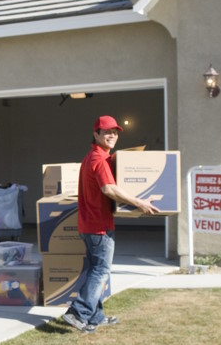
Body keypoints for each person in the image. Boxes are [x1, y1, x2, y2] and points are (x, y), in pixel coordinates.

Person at [61, 115, 158, 333]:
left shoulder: (92, 157)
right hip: (99, 226)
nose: (112, 135)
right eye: (106, 132)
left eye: (115, 132)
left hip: (89, 225)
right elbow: (109, 189)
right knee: (100, 271)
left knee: (95, 269)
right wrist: (139, 202)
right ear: (96, 134)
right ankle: (78, 313)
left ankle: (96, 316)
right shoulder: (99, 159)